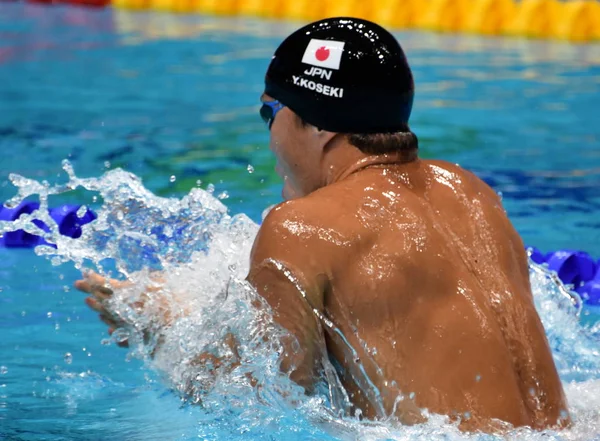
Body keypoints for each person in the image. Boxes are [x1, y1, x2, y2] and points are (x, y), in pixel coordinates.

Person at [75, 17, 571, 432]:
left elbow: (257, 400)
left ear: (318, 123)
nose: (269, 136)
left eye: (270, 112)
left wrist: (156, 325)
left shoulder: (301, 228)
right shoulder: (470, 193)